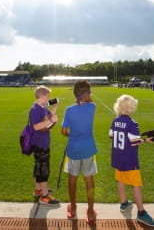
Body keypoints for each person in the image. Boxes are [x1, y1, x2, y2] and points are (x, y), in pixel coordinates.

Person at [109, 95, 154, 227]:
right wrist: (146, 140)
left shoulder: (115, 121)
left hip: (117, 157)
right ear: (132, 108)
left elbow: (111, 135)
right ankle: (141, 213)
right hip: (129, 159)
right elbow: (134, 142)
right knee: (136, 185)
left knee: (120, 180)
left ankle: (124, 203)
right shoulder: (132, 123)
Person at [61, 80, 97, 225]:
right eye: (89, 92)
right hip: (88, 149)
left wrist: (72, 135)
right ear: (86, 94)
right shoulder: (92, 107)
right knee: (89, 180)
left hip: (74, 149)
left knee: (72, 178)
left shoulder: (69, 110)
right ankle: (90, 211)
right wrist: (87, 97)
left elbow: (63, 131)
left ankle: (73, 207)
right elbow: (90, 101)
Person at [29, 86, 60, 206]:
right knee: (43, 170)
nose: (49, 98)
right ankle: (44, 196)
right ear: (42, 96)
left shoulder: (43, 107)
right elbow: (36, 126)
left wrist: (55, 108)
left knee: (39, 167)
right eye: (47, 96)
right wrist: (51, 122)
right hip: (40, 143)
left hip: (42, 142)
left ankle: (38, 190)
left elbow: (50, 117)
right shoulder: (35, 109)